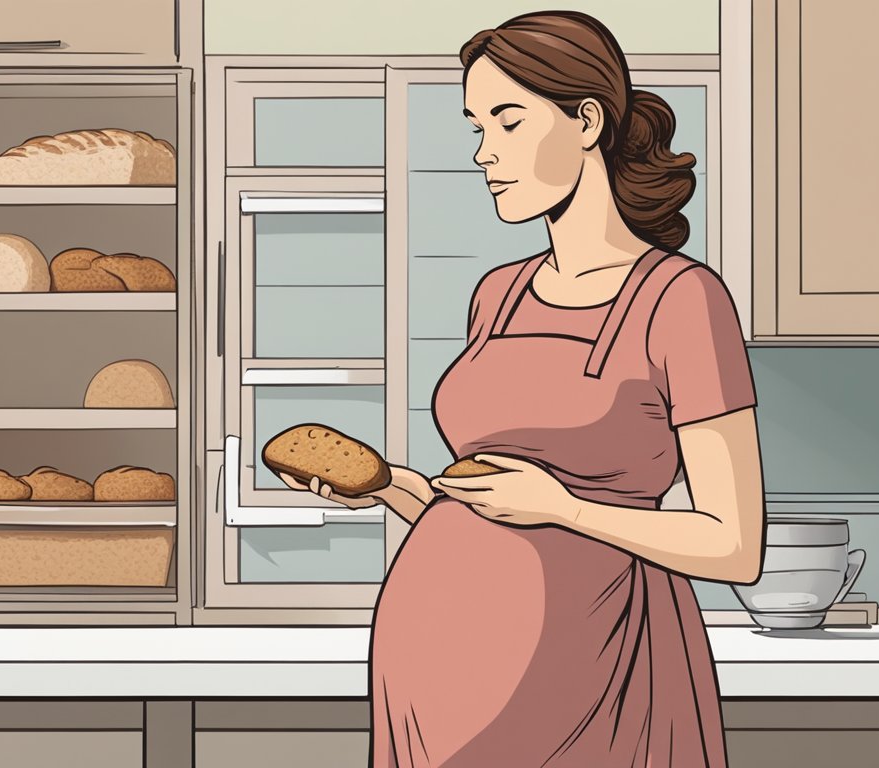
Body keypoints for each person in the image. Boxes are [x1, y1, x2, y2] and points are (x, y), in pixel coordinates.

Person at [278, 10, 765, 767]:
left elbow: (735, 544)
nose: (484, 153)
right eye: (476, 127)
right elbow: (487, 509)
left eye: (507, 122)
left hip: (595, 682)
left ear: (586, 120)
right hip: (438, 689)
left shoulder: (682, 298)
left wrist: (564, 506)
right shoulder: (497, 294)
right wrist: (391, 488)